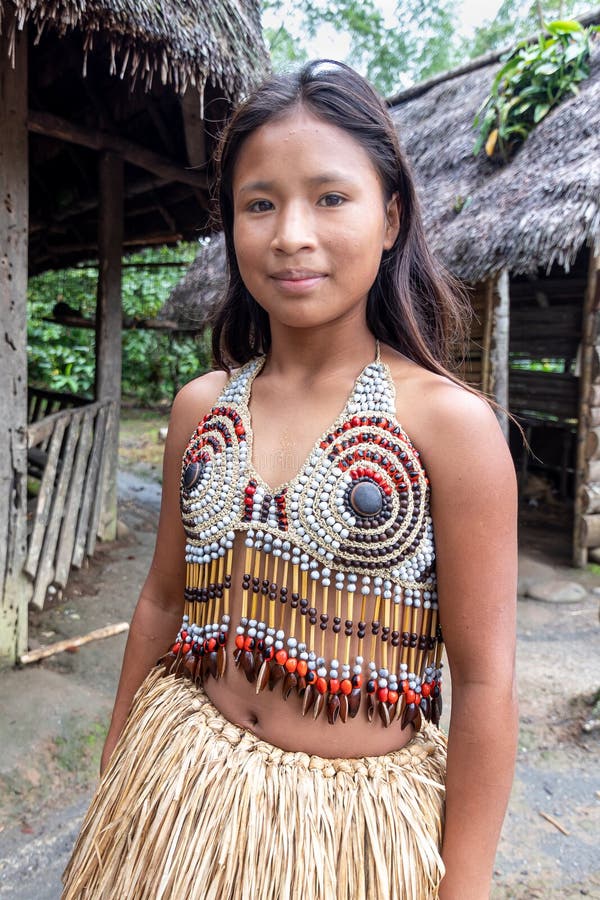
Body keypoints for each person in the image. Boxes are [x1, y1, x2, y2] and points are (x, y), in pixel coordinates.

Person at [63, 59, 518, 900]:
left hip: (348, 837)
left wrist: (466, 884)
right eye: (259, 202)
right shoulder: (203, 407)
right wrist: (117, 760)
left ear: (391, 217)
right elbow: (164, 600)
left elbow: (486, 680)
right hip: (178, 794)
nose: (291, 234)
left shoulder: (450, 428)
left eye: (330, 198)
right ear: (232, 224)